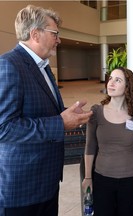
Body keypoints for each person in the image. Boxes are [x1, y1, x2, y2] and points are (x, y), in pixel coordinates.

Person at [0, 5, 93, 216]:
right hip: (22, 188)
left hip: (46, 180)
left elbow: (44, 111)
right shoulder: (9, 65)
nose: (58, 40)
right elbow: (4, 127)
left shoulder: (43, 67)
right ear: (35, 34)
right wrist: (60, 123)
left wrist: (70, 113)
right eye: (55, 34)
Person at [82, 67, 133, 216]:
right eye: (110, 78)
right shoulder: (97, 112)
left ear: (127, 87)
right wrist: (88, 177)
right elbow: (90, 146)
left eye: (117, 80)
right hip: (102, 177)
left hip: (131, 178)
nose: (111, 83)